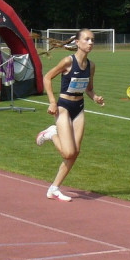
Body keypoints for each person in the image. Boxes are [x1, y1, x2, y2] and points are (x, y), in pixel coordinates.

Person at [35, 29, 105, 201]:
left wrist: (95, 97)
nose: (90, 43)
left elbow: (88, 89)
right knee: (68, 153)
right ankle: (51, 133)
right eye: (87, 39)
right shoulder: (68, 61)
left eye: (92, 40)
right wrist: (52, 101)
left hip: (79, 107)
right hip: (64, 107)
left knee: (75, 152)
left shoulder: (91, 66)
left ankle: (54, 188)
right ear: (78, 42)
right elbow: (47, 77)